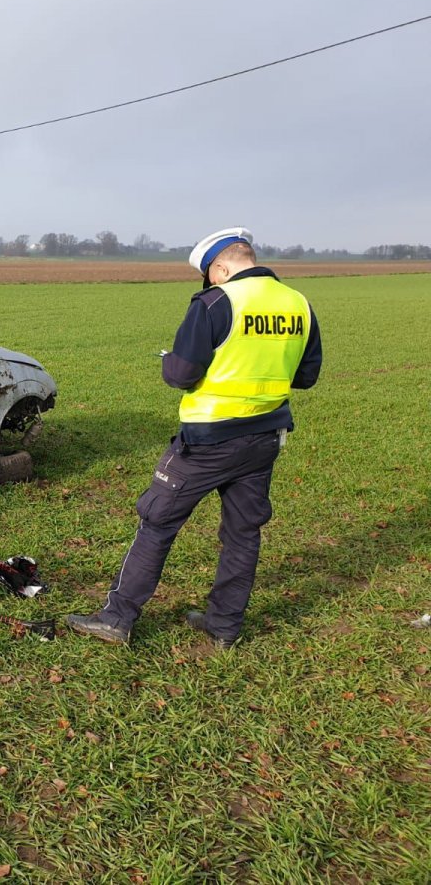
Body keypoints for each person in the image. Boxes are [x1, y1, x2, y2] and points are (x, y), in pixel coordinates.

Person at [66, 227, 322, 648]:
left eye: (211, 274)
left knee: (157, 523)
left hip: (206, 441)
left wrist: (171, 361)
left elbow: (182, 374)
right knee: (242, 533)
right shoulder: (299, 304)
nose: (211, 281)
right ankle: (224, 627)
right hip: (264, 437)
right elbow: (306, 376)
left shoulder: (216, 302)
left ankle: (117, 617)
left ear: (220, 267)